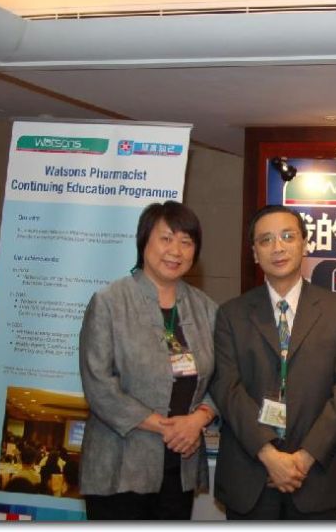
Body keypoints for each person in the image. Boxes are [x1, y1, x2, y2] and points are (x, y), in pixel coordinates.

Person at [210, 204, 336, 520]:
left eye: (288, 237)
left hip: (315, 477)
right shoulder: (231, 314)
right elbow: (227, 388)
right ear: (255, 253)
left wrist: (303, 458)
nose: (277, 247)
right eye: (265, 240)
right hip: (250, 474)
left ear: (305, 244)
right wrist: (269, 455)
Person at [79, 201, 218, 520]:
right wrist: (165, 427)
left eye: (186, 242)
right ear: (144, 241)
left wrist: (197, 420)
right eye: (166, 238)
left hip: (180, 465)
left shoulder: (206, 309)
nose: (175, 251)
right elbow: (99, 386)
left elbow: (221, 380)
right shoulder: (109, 302)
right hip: (120, 465)